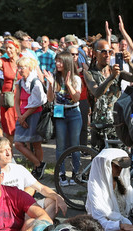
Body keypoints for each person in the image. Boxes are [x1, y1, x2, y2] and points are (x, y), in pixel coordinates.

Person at [0, 136, 67, 218]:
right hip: (6, 213)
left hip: (23, 208)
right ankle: (38, 223)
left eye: (9, 149)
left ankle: (41, 223)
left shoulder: (18, 168)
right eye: (3, 151)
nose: (8, 153)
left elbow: (41, 188)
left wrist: (57, 197)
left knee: (54, 201)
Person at [44, 51, 82, 186]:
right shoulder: (54, 77)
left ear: (67, 62)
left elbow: (76, 98)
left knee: (75, 144)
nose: (57, 63)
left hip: (74, 112)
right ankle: (62, 174)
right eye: (56, 61)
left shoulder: (76, 78)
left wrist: (68, 84)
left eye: (60, 61)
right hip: (59, 112)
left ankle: (76, 173)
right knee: (60, 145)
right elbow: (50, 99)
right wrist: (50, 84)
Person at [13, 56, 46, 177]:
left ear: (29, 68)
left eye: (22, 67)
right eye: (19, 67)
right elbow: (16, 101)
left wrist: (24, 116)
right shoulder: (20, 83)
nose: (20, 70)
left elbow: (37, 103)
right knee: (18, 143)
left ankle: (37, 169)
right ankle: (38, 164)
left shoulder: (35, 82)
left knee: (36, 143)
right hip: (23, 115)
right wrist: (19, 116)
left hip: (34, 115)